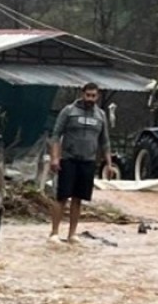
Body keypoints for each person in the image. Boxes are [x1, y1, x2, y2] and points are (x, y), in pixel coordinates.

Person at [48, 82, 112, 245]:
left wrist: (109, 164)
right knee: (62, 196)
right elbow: (55, 136)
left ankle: (72, 234)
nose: (90, 99)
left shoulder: (101, 115)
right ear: (82, 94)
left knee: (78, 199)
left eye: (94, 96)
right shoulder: (69, 111)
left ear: (97, 96)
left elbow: (105, 142)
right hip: (68, 159)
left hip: (88, 161)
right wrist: (55, 158)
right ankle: (54, 233)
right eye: (88, 95)